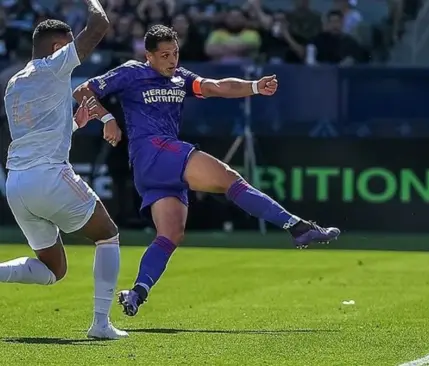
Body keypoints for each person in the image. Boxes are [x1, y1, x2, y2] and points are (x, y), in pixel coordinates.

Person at [72, 25, 341, 317]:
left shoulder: (180, 77)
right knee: (230, 179)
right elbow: (82, 90)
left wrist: (254, 87)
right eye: (164, 55)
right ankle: (298, 227)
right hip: (154, 151)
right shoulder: (131, 72)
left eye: (175, 53)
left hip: (155, 168)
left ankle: (137, 292)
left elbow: (216, 86)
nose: (172, 60)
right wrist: (107, 118)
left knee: (171, 235)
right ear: (148, 55)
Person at [1, 0, 128, 340]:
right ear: (58, 48)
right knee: (108, 234)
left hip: (16, 185)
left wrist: (73, 123)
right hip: (48, 176)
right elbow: (99, 25)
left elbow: (36, 133)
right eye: (70, 42)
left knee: (53, 270)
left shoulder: (14, 82)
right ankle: (101, 325)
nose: (75, 47)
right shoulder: (54, 66)